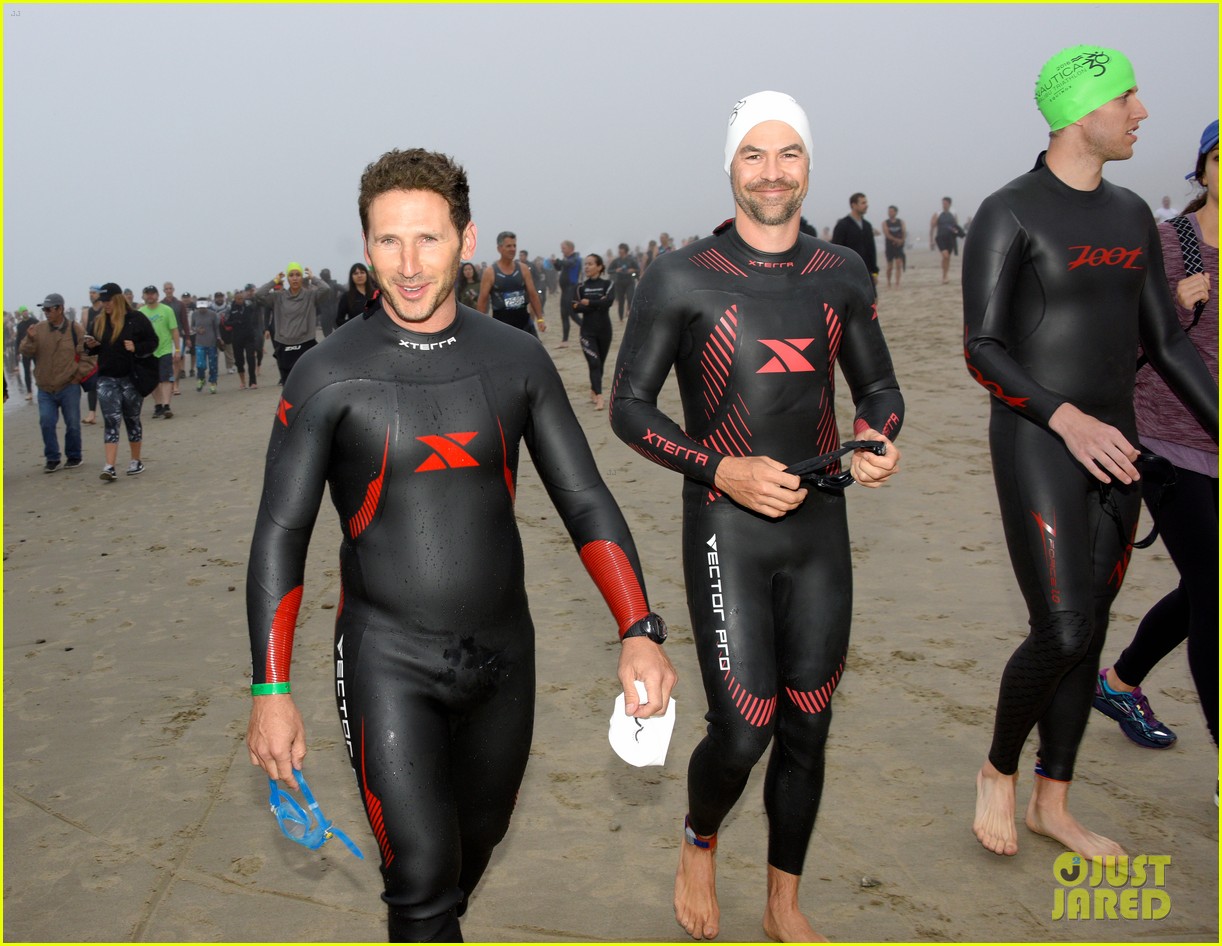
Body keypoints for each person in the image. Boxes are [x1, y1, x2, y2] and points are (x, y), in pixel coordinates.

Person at [244, 148, 676, 943]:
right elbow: (281, 533)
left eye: (428, 239)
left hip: (503, 657)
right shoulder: (328, 377)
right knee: (420, 883)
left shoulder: (514, 359)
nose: (408, 266)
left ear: (466, 239)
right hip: (385, 659)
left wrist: (638, 629)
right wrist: (270, 690)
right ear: (366, 245)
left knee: (472, 851)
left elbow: (584, 499)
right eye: (388, 241)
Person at [611, 90, 903, 942]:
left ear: (808, 165)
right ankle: (700, 838)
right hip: (725, 523)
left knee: (809, 721)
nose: (772, 172)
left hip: (820, 525)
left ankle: (783, 902)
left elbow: (879, 387)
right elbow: (630, 408)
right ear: (730, 167)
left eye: (788, 154)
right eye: (754, 154)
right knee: (744, 730)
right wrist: (722, 469)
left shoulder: (840, 272)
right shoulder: (680, 275)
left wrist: (876, 436)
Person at [964, 48, 1218, 861]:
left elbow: (1167, 344)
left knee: (1093, 627)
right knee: (1064, 627)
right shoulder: (1010, 212)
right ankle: (999, 769)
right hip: (1041, 441)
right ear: (1080, 110)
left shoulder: (1132, 213)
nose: (1142, 113)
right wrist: (1065, 417)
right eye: (1126, 97)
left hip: (1120, 449)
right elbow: (983, 349)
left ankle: (1054, 802)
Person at [1094, 119, 1219, 755]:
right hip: (1173, 443)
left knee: (1203, 587)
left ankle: (1119, 683)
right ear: (1203, 170)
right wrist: (1174, 303)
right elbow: (1115, 333)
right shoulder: (1171, 242)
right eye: (1221, 158)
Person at [82, 283, 158, 480]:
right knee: (111, 420)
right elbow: (91, 349)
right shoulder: (99, 321)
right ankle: (109, 466)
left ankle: (136, 460)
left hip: (131, 377)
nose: (105, 304)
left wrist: (136, 347)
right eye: (103, 301)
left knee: (132, 419)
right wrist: (91, 346)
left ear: (118, 299)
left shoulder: (136, 319)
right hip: (106, 378)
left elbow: (153, 342)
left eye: (108, 301)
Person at [19, 293, 86, 472]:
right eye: (44, 309)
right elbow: (25, 351)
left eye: (49, 309)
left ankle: (74, 456)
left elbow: (88, 354)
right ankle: (52, 458)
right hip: (45, 387)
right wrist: (30, 339)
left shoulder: (75, 329)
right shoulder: (38, 329)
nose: (46, 312)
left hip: (69, 385)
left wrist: (78, 375)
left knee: (73, 423)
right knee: (46, 422)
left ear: (60, 308)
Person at [253, 262, 333, 384]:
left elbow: (326, 289)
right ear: (287, 279)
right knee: (288, 384)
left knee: (307, 382)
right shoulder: (278, 297)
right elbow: (259, 294)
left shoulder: (310, 296)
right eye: (291, 275)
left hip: (306, 342)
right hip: (285, 344)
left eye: (298, 275)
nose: (295, 278)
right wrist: (275, 281)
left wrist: (313, 278)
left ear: (302, 277)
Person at [476, 230, 546, 335]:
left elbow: (533, 295)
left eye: (514, 246)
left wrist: (540, 319)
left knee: (535, 346)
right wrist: (480, 326)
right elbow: (482, 301)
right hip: (501, 326)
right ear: (499, 248)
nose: (513, 249)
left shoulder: (523, 269)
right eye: (508, 246)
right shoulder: (490, 272)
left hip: (524, 323)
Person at [571, 254, 615, 411]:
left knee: (599, 363)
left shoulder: (608, 284)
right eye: (586, 264)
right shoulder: (580, 287)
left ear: (599, 266)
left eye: (590, 264)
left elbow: (608, 302)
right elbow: (575, 307)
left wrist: (588, 302)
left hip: (605, 331)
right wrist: (597, 304)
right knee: (594, 362)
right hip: (587, 332)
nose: (586, 267)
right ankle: (600, 397)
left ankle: (594, 390)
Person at [139, 285, 180, 420]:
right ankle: (158, 405)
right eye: (147, 294)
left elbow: (174, 330)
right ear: (144, 296)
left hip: (165, 349)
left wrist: (177, 350)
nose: (150, 296)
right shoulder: (141, 313)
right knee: (153, 380)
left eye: (152, 293)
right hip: (148, 351)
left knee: (166, 377)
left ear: (157, 295)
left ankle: (166, 405)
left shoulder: (167, 310)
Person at [830, 192, 880, 283]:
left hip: (866, 272)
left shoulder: (867, 226)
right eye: (863, 203)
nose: (866, 205)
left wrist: (875, 272)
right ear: (854, 205)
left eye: (866, 202)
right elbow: (836, 250)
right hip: (848, 273)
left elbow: (871, 250)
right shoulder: (843, 225)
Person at [227, 289, 262, 390]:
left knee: (251, 358)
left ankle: (253, 381)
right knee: (239, 361)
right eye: (238, 299)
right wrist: (235, 322)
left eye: (242, 298)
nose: (240, 300)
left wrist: (252, 294)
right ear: (235, 299)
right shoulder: (230, 308)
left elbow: (257, 303)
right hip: (237, 337)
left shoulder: (249, 306)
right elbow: (226, 322)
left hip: (249, 336)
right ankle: (242, 381)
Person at [929, 196, 965, 284]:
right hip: (940, 237)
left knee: (948, 257)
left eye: (945, 203)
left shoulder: (953, 214)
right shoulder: (937, 214)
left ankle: (945, 275)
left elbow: (956, 226)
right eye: (943, 203)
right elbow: (932, 227)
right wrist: (931, 240)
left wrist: (957, 232)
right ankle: (944, 276)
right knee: (945, 256)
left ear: (949, 204)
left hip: (950, 238)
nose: (943, 205)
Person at [190, 295, 221, 393]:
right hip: (199, 343)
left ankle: (213, 382)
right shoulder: (194, 314)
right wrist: (197, 330)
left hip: (212, 343)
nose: (202, 308)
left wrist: (219, 338)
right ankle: (201, 378)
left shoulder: (213, 314)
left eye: (204, 306)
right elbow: (192, 326)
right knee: (200, 365)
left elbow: (216, 328)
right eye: (200, 306)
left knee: (213, 365)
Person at [554, 240, 581, 345]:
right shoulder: (566, 259)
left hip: (571, 289)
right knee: (564, 314)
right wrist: (556, 263)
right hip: (564, 291)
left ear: (570, 248)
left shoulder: (576, 258)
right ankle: (565, 340)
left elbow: (569, 263)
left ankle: (588, 330)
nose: (562, 250)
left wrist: (559, 261)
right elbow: (559, 268)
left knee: (572, 314)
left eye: (563, 248)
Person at [608, 243, 640, 321]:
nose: (619, 250)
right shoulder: (616, 261)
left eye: (621, 249)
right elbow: (609, 270)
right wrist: (616, 270)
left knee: (630, 298)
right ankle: (621, 318)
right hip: (619, 282)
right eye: (619, 249)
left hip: (630, 281)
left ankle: (629, 313)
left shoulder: (631, 260)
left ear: (625, 250)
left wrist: (633, 270)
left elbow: (638, 269)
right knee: (621, 301)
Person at [15, 306, 38, 400]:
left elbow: (42, 334)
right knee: (26, 372)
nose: (25, 312)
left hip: (35, 350)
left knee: (39, 370)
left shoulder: (35, 321)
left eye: (26, 311)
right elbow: (18, 340)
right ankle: (29, 392)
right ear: (21, 313)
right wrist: (17, 352)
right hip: (25, 351)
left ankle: (42, 388)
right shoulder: (20, 325)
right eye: (23, 311)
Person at [882, 205, 907, 288]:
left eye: (891, 211)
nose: (890, 213)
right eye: (889, 211)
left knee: (898, 264)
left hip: (899, 247)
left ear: (896, 212)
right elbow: (887, 234)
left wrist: (902, 240)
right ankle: (889, 282)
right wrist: (896, 240)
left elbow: (904, 232)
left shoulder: (901, 222)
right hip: (889, 246)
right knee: (890, 266)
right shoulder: (885, 223)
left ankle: (897, 283)